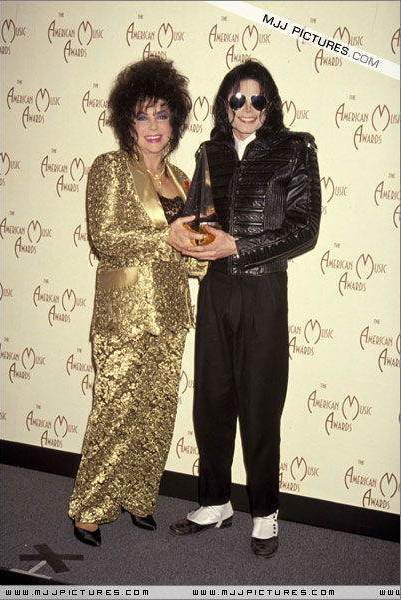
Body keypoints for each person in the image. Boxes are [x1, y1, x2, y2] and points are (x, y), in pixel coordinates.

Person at [168, 59, 321, 558]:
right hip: (216, 289)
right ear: (225, 105)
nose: (247, 108)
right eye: (238, 99)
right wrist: (182, 228)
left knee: (260, 403)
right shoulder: (210, 151)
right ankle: (215, 502)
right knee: (211, 400)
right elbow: (197, 214)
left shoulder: (295, 149)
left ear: (269, 104)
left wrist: (238, 246)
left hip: (263, 290)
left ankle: (265, 512)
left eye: (257, 99)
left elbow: (305, 229)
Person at [68, 57, 206, 547]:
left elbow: (190, 257)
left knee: (157, 412)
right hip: (123, 313)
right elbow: (105, 238)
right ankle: (90, 508)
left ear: (175, 122)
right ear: (127, 120)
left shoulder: (184, 179)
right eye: (143, 114)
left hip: (171, 314)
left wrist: (204, 250)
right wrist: (166, 237)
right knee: (114, 411)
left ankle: (138, 496)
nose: (153, 125)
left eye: (162, 114)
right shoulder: (109, 168)